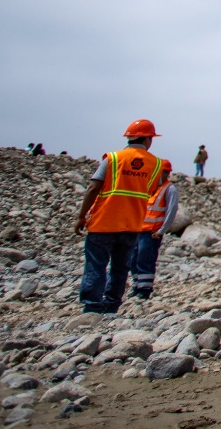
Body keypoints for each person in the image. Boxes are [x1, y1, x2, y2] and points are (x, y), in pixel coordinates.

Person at [73, 119, 171, 314]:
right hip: (132, 224)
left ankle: (92, 305)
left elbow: (93, 187)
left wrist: (81, 216)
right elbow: (150, 191)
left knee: (96, 264)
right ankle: (112, 304)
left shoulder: (113, 159)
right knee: (120, 267)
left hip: (104, 221)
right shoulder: (156, 164)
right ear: (148, 139)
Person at [131, 175, 179, 301]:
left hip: (152, 232)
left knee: (145, 260)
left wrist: (162, 230)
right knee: (134, 259)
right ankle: (137, 286)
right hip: (140, 229)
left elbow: (171, 210)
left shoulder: (169, 189)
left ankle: (144, 290)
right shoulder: (151, 188)